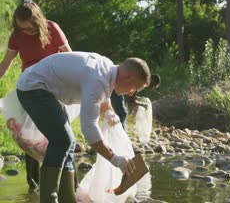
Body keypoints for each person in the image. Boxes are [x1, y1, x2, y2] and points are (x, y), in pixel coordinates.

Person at [16, 52, 151, 203]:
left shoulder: (108, 69)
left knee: (69, 143)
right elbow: (88, 128)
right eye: (135, 87)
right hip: (33, 87)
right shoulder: (97, 79)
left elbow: (104, 94)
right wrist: (115, 159)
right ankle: (48, 199)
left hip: (50, 90)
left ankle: (68, 199)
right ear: (128, 77)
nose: (132, 93)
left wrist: (108, 110)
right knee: (62, 140)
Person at [0, 0, 72, 192]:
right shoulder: (17, 35)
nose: (26, 32)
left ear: (38, 21)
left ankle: (64, 186)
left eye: (30, 28)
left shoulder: (52, 28)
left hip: (54, 89)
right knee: (29, 138)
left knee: (62, 136)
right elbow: (6, 63)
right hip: (29, 90)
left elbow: (69, 56)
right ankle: (34, 186)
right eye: (22, 29)